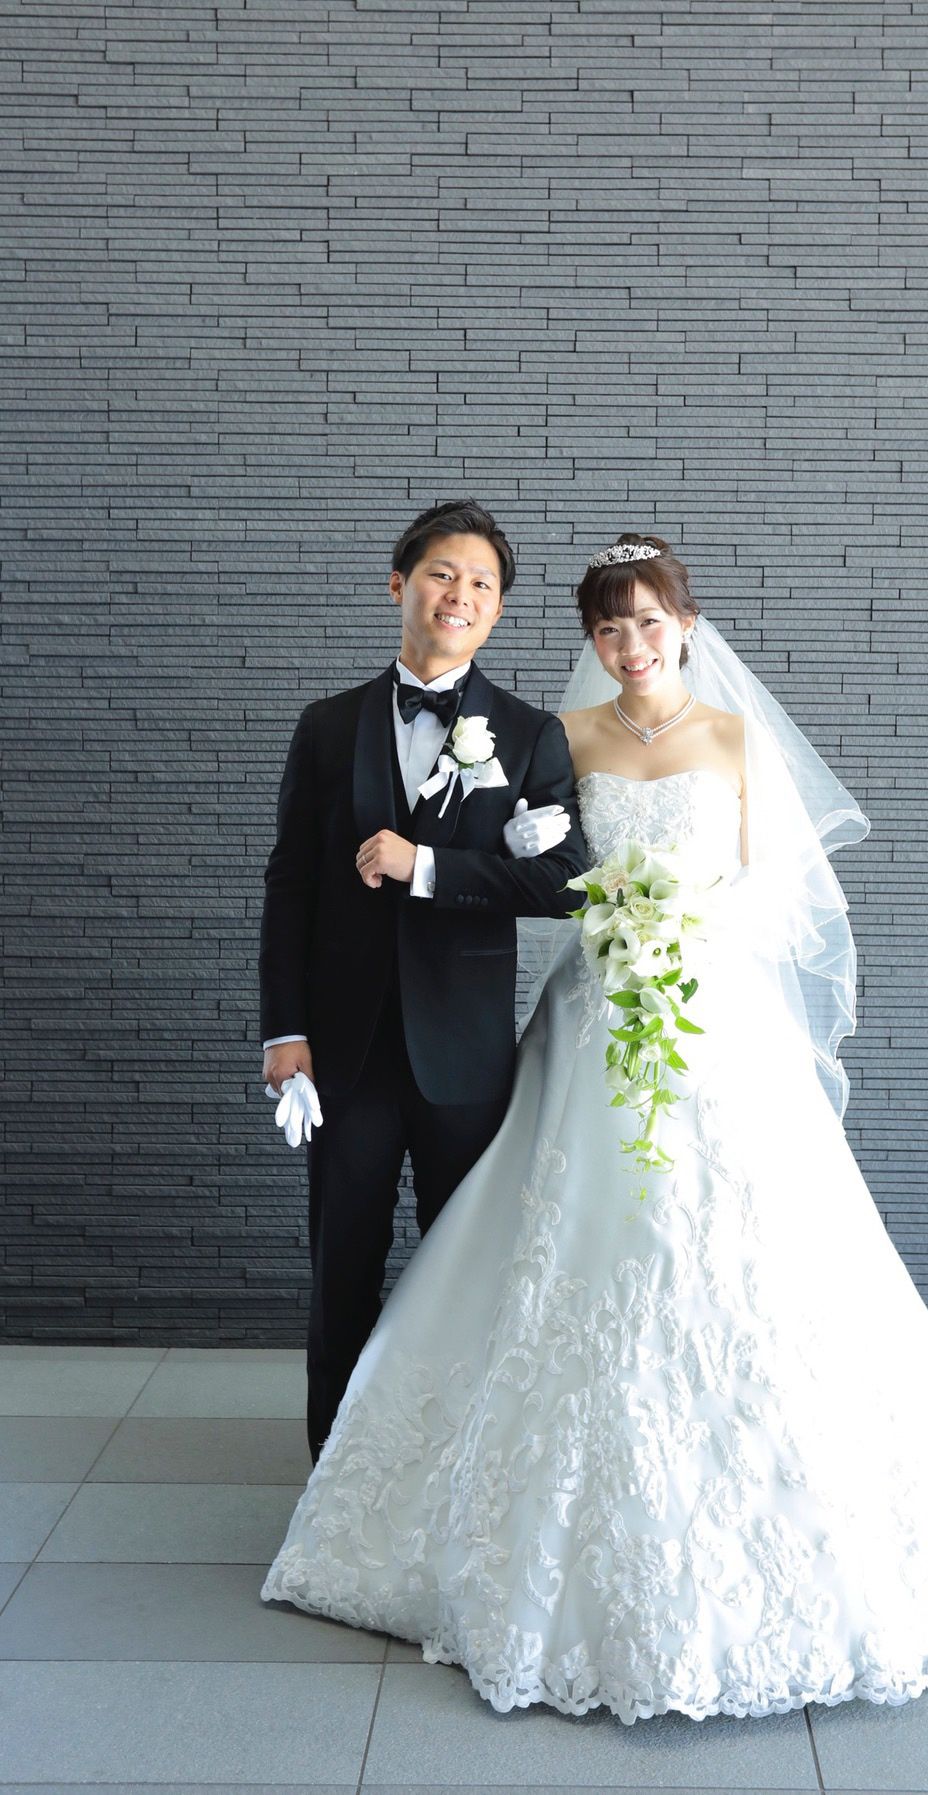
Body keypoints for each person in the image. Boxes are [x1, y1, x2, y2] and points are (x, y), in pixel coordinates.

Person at [260, 532, 928, 1723]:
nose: (629, 644)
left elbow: (773, 892)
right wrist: (567, 901)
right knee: (535, 1240)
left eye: (647, 621)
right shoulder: (553, 738)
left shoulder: (730, 739)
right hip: (588, 1012)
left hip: (706, 1015)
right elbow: (547, 868)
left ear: (684, 623)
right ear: (586, 637)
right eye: (607, 626)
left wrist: (681, 935)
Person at [258, 497, 592, 1462]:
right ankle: (332, 1486)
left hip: (468, 1062)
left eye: (481, 583)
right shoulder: (327, 727)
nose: (461, 593)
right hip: (346, 1055)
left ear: (498, 610)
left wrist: (431, 867)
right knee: (343, 1278)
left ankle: (452, 1483)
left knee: (467, 1281)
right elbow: (290, 886)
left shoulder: (529, 735)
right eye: (443, 573)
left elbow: (568, 883)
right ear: (399, 584)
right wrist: (285, 1029)